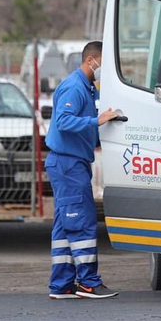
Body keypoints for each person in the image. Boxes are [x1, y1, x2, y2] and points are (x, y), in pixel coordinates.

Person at [45, 40, 121, 300]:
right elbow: (64, 121)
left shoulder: (87, 89)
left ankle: (62, 284)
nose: (104, 70)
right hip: (68, 164)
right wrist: (96, 121)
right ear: (91, 60)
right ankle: (88, 283)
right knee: (81, 222)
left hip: (70, 163)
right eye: (103, 63)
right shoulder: (74, 87)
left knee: (65, 226)